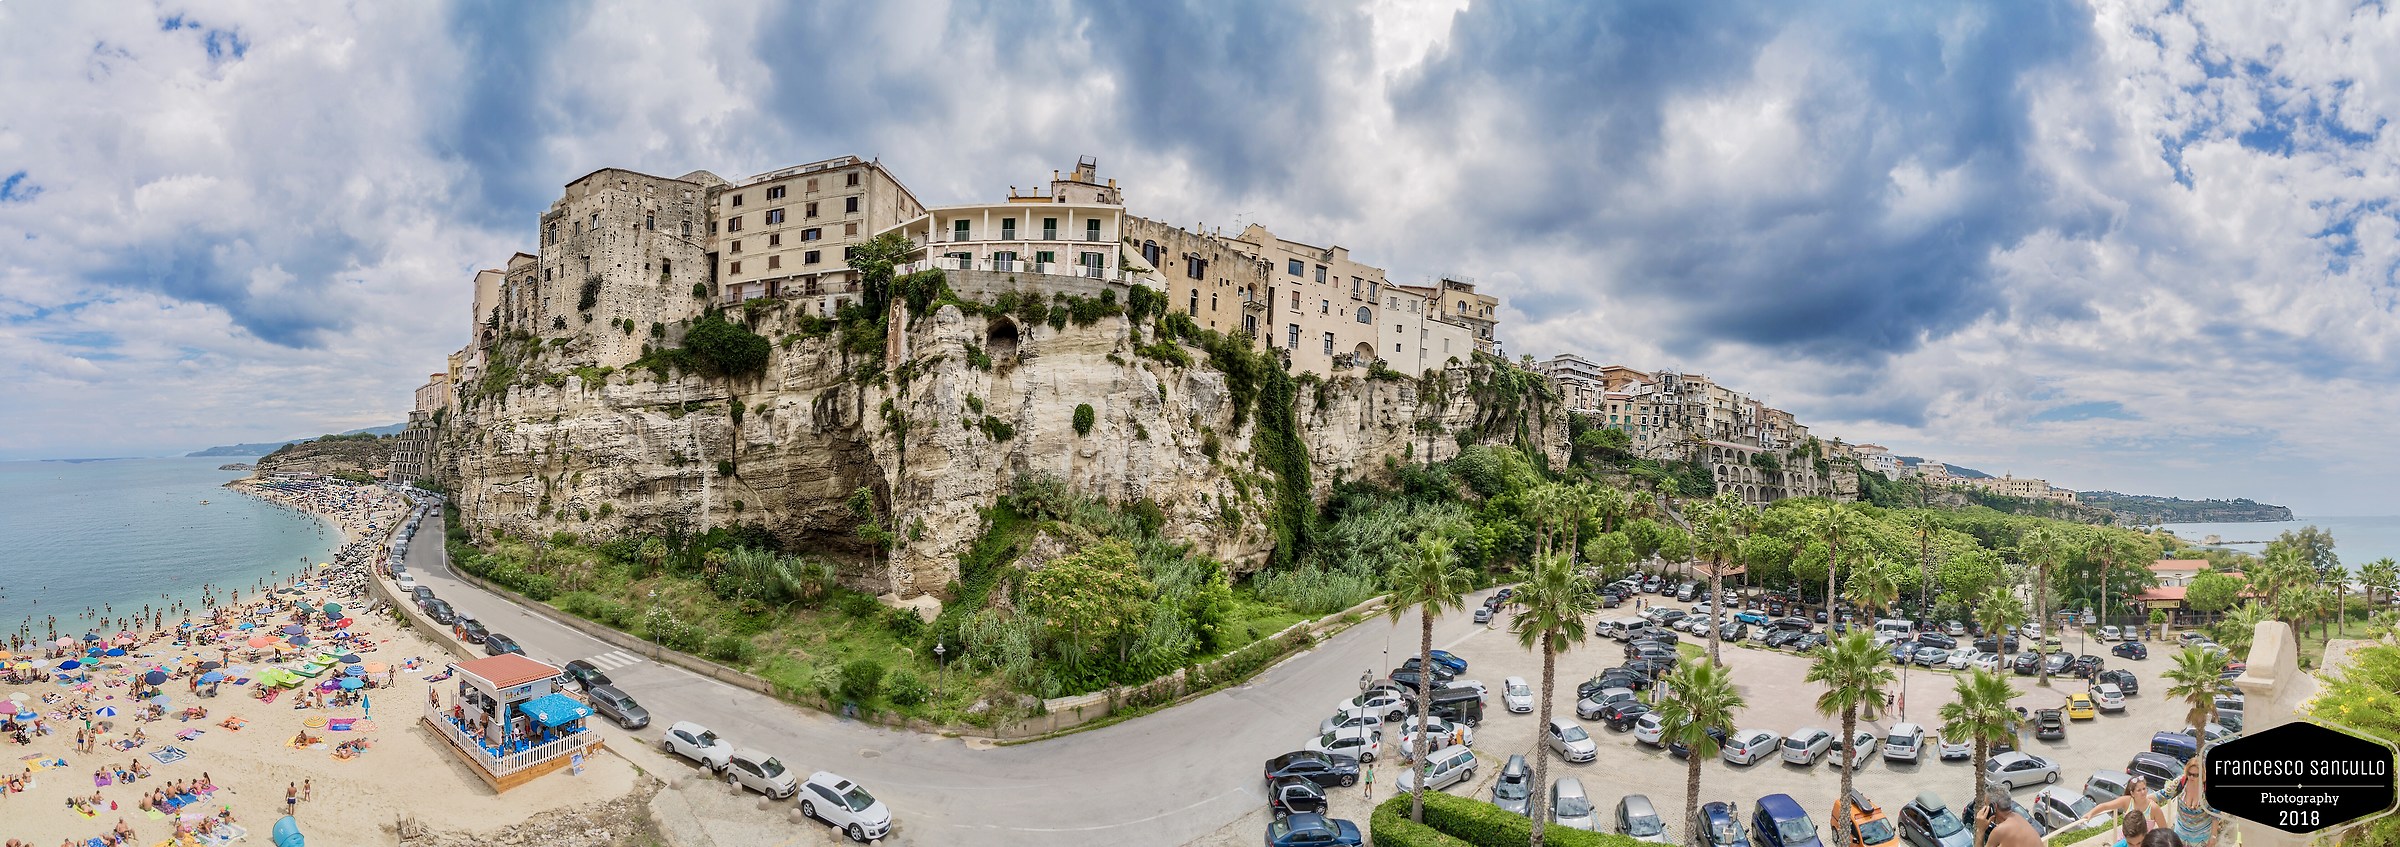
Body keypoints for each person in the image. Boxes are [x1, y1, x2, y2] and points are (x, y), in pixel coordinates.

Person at [2077, 756, 2218, 847]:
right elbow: (2162, 795)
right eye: (2190, 774)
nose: (2192, 777)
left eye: (2197, 775)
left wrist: (2213, 836)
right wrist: (2142, 800)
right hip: (2181, 834)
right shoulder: (2181, 783)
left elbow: (2215, 814)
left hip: (2201, 837)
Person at [1978, 783, 2043, 847]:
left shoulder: (2000, 831)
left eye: (1986, 804)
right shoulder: (2018, 817)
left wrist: (1981, 830)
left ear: (1993, 807)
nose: (1985, 808)